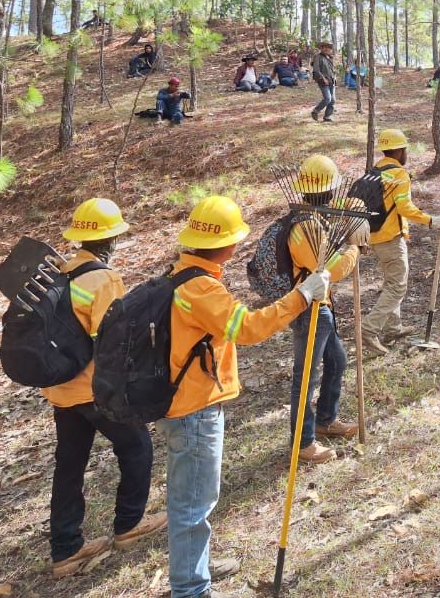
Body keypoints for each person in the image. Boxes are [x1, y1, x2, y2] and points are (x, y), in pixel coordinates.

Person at [160, 195, 331, 598]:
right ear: (227, 244)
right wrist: (302, 295)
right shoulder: (201, 288)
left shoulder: (181, 274)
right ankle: (190, 588)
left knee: (195, 498)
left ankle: (193, 569)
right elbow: (249, 328)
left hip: (186, 404)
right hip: (193, 410)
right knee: (193, 504)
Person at [45, 199, 166, 578]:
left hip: (60, 390)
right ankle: (129, 525)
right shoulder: (104, 280)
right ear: (110, 238)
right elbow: (113, 342)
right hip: (94, 390)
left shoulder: (60, 271)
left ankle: (66, 548)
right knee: (137, 447)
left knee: (69, 464)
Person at [286, 155, 369, 464]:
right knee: (305, 378)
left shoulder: (313, 219)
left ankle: (325, 419)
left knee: (337, 361)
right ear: (329, 191)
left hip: (322, 307)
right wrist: (353, 248)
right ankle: (303, 442)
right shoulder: (305, 227)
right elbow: (328, 270)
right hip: (310, 310)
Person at [359, 128, 440, 356]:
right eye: (405, 149)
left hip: (375, 237)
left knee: (391, 282)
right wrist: (432, 220)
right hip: (390, 239)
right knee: (397, 286)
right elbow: (404, 208)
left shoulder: (374, 171)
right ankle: (369, 329)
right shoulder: (398, 175)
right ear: (400, 151)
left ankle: (393, 328)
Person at [310, 41, 336, 123]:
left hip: (331, 80)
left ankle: (327, 116)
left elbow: (332, 70)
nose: (326, 49)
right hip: (323, 81)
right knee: (328, 98)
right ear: (321, 48)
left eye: (328, 47)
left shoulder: (329, 58)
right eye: (324, 47)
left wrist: (335, 77)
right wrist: (323, 78)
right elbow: (316, 70)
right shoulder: (318, 57)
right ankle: (316, 111)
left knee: (333, 100)